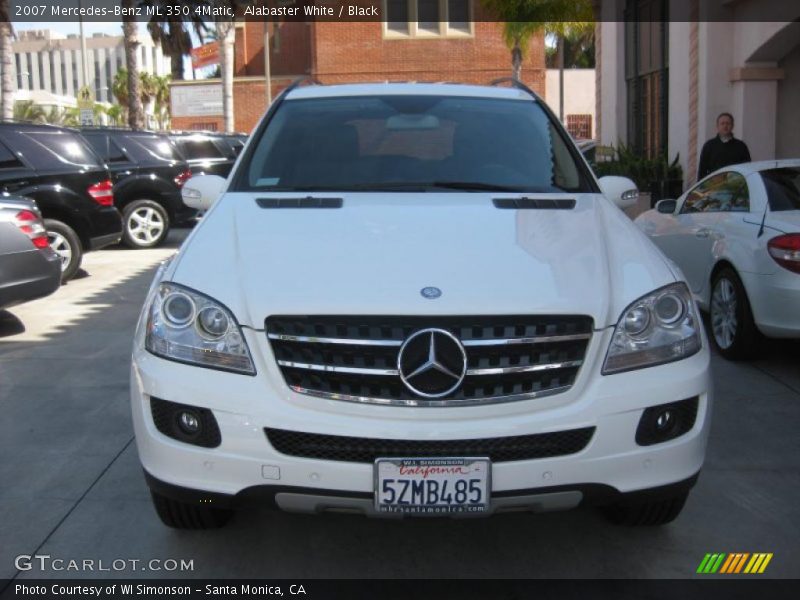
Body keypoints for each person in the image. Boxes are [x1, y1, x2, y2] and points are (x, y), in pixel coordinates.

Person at [697, 112, 751, 180]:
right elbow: (702, 170)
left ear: (732, 126)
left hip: (736, 185)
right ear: (717, 126)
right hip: (714, 186)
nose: (725, 126)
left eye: (728, 123)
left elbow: (747, 167)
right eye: (722, 123)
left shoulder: (741, 146)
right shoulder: (709, 146)